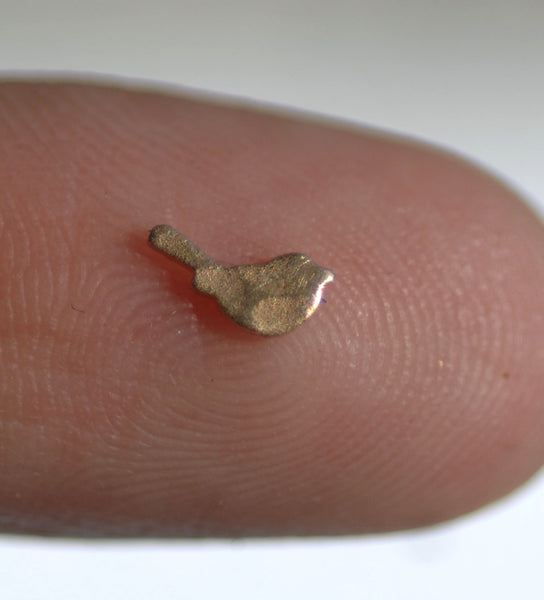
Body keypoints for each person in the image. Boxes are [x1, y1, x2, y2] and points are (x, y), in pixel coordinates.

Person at [1, 81, 544, 538]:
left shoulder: (278, 294)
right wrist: (218, 281)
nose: (319, 280)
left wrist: (219, 281)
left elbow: (246, 293)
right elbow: (242, 292)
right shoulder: (269, 291)